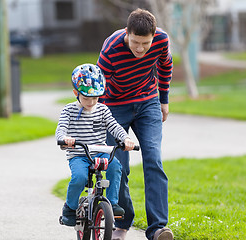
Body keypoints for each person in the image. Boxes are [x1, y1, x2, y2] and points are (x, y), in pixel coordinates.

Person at [97, 8, 173, 240]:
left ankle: (158, 228)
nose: (141, 49)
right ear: (127, 34)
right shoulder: (110, 48)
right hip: (115, 107)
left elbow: (165, 66)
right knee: (118, 167)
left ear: (153, 37)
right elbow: (99, 88)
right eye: (136, 42)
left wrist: (163, 100)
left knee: (153, 158)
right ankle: (122, 222)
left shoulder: (161, 40)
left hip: (147, 102)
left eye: (146, 43)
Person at [55, 63, 135, 226]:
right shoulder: (68, 110)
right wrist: (64, 138)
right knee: (79, 177)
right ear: (75, 93)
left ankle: (112, 203)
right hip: (79, 154)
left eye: (95, 98)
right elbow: (61, 128)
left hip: (100, 152)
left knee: (115, 167)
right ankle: (70, 208)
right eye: (86, 98)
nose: (91, 102)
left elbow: (114, 126)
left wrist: (125, 139)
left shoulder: (103, 110)